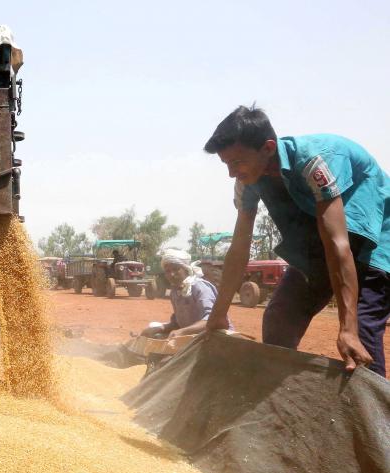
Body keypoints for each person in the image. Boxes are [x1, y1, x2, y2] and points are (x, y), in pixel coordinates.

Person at [202, 105, 390, 376]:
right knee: (280, 316)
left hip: (375, 240)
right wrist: (217, 315)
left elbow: (338, 242)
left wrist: (347, 329)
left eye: (238, 162)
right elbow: (239, 248)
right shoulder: (248, 181)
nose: (232, 172)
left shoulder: (313, 163)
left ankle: (372, 417)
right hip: (323, 245)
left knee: (360, 334)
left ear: (268, 148)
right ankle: (282, 404)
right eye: (226, 164)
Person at [141, 249, 220, 339]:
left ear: (186, 269)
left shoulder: (199, 287)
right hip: (194, 336)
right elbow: (177, 323)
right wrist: (160, 328)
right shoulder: (175, 292)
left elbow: (212, 320)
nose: (172, 274)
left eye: (176, 269)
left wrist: (183, 331)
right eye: (167, 271)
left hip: (214, 337)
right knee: (153, 332)